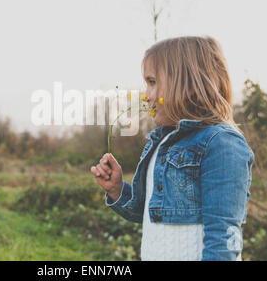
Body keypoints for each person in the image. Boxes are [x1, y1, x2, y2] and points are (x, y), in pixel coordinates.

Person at [90, 36, 255, 261]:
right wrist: (117, 189)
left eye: (152, 82)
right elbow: (150, 213)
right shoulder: (160, 143)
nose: (146, 95)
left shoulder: (221, 143)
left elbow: (224, 235)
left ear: (188, 84)